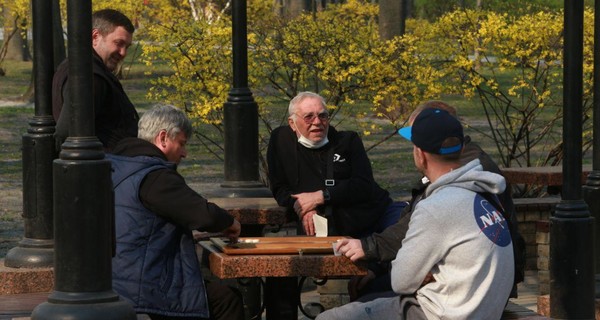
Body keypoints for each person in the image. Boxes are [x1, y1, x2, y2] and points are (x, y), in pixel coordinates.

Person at [317, 107, 515, 320]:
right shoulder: (486, 192)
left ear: (420, 154)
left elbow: (401, 281)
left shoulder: (437, 206)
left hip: (443, 314)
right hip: (482, 310)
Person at [107, 104, 244, 320]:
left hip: (117, 277)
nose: (185, 153)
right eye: (181, 143)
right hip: (142, 287)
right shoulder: (154, 176)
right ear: (163, 138)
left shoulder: (120, 164)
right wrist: (230, 223)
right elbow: (202, 214)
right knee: (226, 299)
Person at [267, 91, 405, 238]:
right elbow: (280, 190)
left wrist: (321, 197)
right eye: (309, 117)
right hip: (335, 228)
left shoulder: (347, 141)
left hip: (375, 216)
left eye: (322, 115)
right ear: (292, 123)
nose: (317, 122)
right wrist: (304, 207)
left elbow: (363, 185)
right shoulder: (281, 142)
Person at [53, 8, 140, 152]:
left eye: (127, 47)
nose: (123, 53)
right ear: (95, 37)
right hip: (103, 168)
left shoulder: (84, 69)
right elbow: (66, 132)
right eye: (119, 43)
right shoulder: (88, 76)